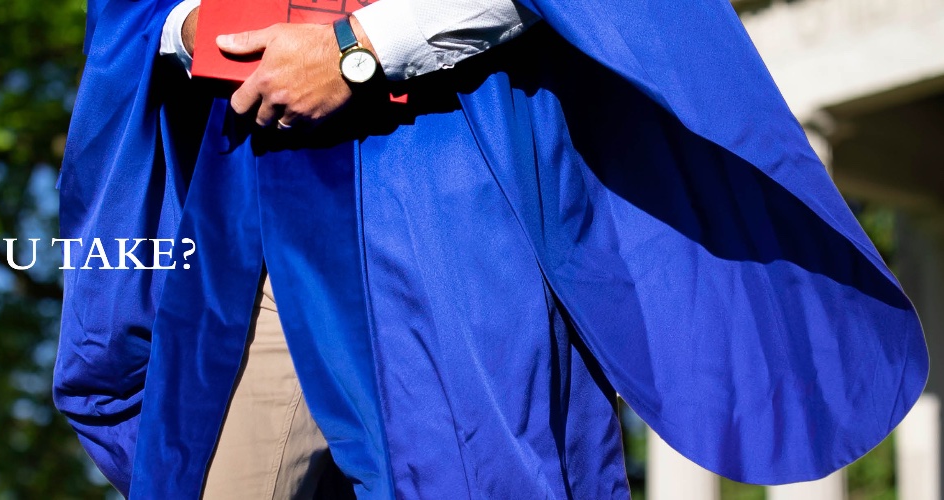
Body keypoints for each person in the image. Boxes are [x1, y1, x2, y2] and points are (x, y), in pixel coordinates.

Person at [53, 0, 931, 497]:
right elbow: (138, 18)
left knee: (480, 470)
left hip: (441, 190)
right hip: (248, 210)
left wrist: (357, 50)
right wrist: (202, 26)